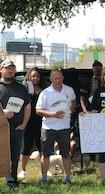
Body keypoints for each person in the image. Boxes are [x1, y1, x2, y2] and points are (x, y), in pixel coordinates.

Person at [36, 69, 76, 184]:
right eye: (55, 78)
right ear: (51, 79)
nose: (58, 80)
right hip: (48, 127)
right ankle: (44, 178)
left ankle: (67, 177)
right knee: (46, 154)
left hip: (64, 127)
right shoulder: (45, 93)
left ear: (63, 78)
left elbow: (73, 100)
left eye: (60, 78)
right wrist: (53, 114)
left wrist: (72, 107)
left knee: (65, 154)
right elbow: (38, 111)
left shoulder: (69, 90)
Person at [0, 59, 31, 187]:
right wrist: (2, 112)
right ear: (1, 70)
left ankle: (12, 181)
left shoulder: (21, 88)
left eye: (13, 68)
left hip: (16, 129)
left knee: (14, 156)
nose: (11, 70)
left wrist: (23, 124)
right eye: (7, 68)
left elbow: (27, 106)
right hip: (1, 129)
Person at [18, 67, 46, 180]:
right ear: (29, 77)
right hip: (28, 121)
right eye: (33, 76)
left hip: (41, 121)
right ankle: (23, 170)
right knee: (26, 147)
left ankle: (45, 170)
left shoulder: (44, 90)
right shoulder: (24, 89)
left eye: (37, 76)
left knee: (42, 147)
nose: (35, 78)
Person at [80, 60, 103, 166]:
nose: (97, 71)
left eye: (99, 69)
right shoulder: (87, 81)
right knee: (91, 135)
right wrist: (85, 110)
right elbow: (82, 97)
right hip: (90, 110)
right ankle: (92, 158)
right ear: (93, 69)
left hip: (104, 111)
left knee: (103, 133)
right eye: (96, 69)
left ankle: (104, 156)